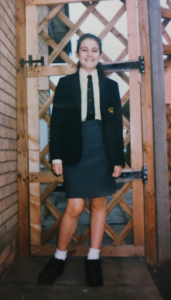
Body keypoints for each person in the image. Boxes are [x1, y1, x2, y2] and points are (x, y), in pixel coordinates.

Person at [38, 33, 125, 287]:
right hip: (76, 149)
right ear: (77, 54)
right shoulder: (65, 84)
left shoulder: (111, 87)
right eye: (84, 50)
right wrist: (56, 156)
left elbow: (115, 123)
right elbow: (58, 124)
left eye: (94, 50)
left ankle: (94, 259)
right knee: (75, 207)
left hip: (102, 149)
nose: (89, 54)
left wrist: (118, 158)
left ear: (100, 54)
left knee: (99, 203)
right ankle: (59, 257)